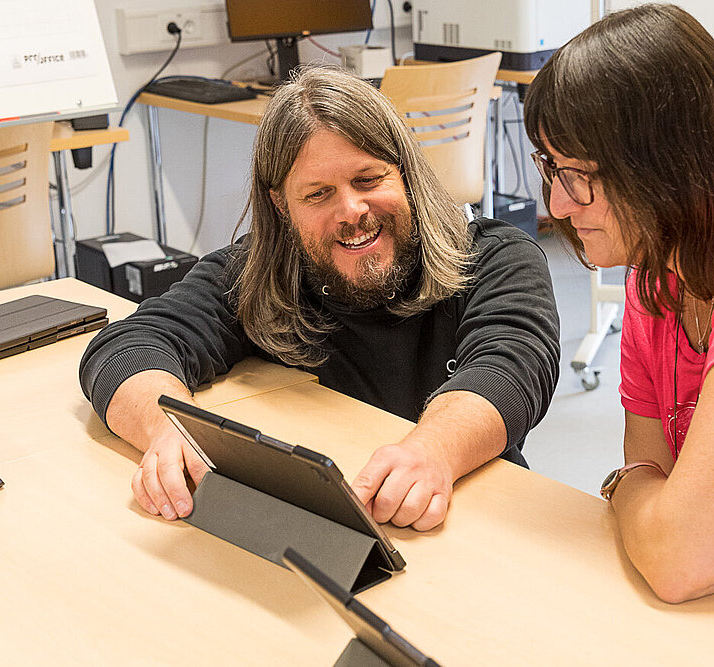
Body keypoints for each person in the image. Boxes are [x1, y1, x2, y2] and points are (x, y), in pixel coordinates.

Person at [81, 65, 559, 532]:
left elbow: (511, 370)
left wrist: (433, 449)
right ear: (281, 204)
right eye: (318, 194)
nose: (351, 211)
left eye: (369, 180)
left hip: (472, 523)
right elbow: (128, 345)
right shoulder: (256, 274)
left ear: (406, 174)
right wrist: (169, 430)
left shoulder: (497, 258)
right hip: (323, 531)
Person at [524, 3, 714, 603]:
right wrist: (648, 494)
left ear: (665, 164)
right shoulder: (654, 286)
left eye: (576, 174)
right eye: (549, 169)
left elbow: (675, 558)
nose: (556, 205)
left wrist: (629, 488)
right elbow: (653, 476)